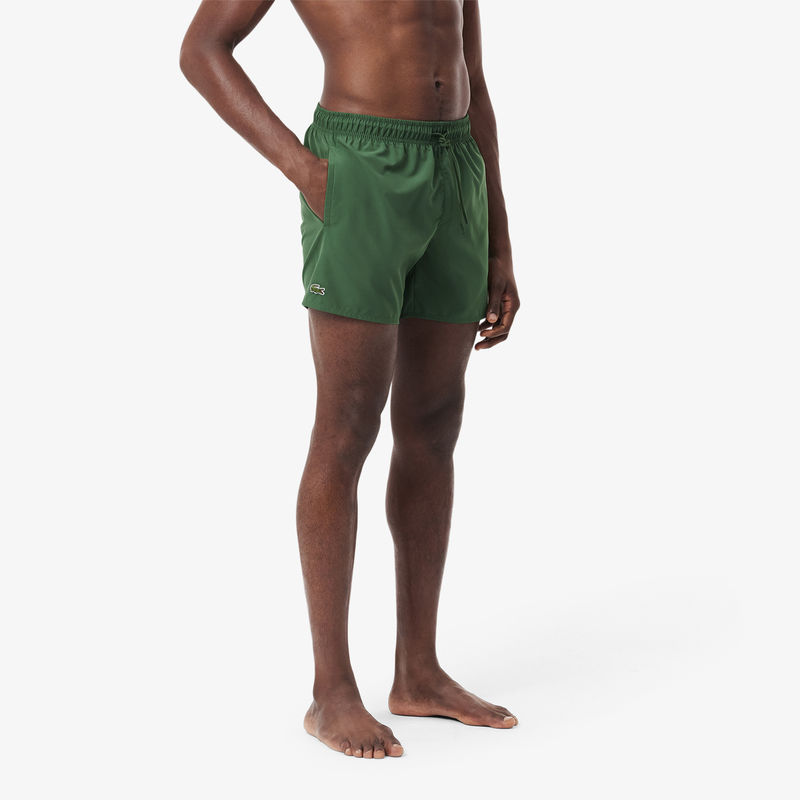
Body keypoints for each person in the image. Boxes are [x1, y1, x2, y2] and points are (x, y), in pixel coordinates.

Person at [180, 0, 520, 759]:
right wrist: (303, 168)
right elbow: (203, 49)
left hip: (455, 166)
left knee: (434, 423)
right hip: (361, 165)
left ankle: (419, 672)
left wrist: (499, 239)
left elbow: (474, 75)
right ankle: (330, 691)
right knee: (347, 426)